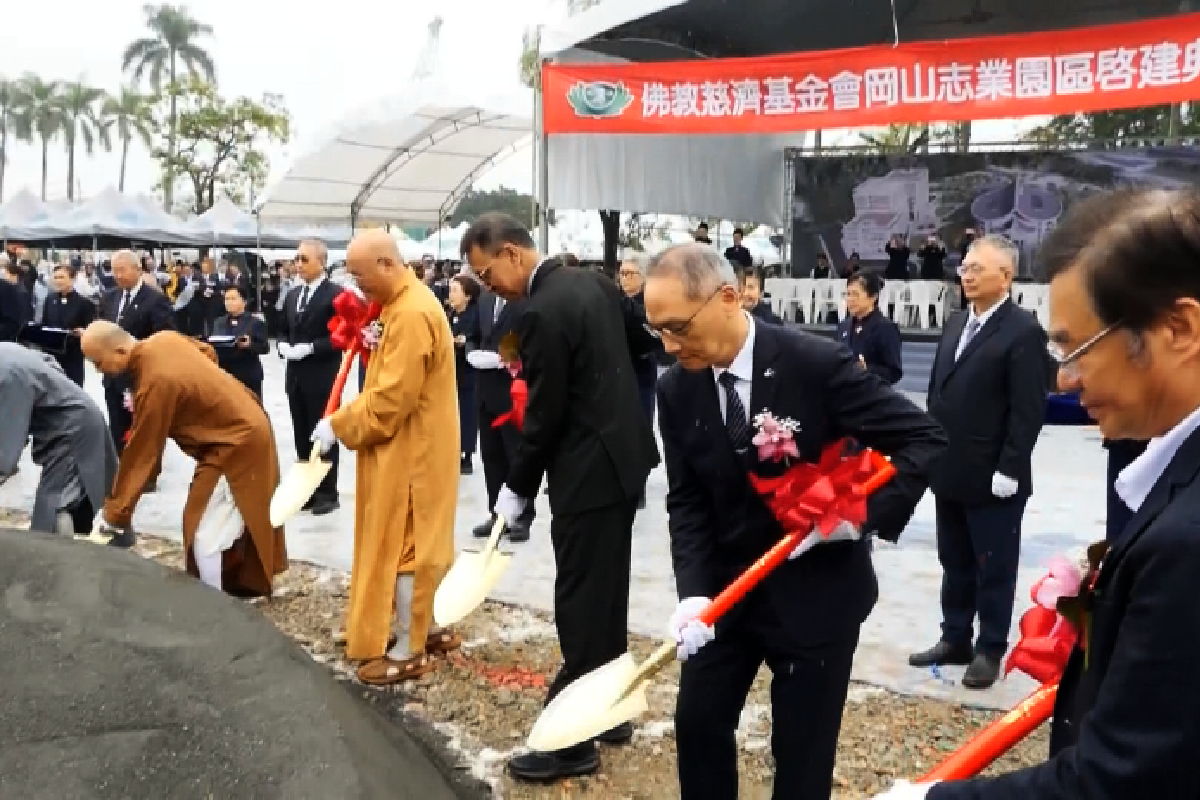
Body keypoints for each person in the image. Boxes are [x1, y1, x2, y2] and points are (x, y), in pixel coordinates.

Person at [875, 188, 1200, 800]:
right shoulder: (1169, 487)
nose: (1066, 379)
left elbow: (1122, 780)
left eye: (1077, 349)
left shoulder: (1187, 543)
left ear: (1179, 328)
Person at [644, 243, 946, 800]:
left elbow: (923, 438)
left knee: (802, 753)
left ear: (728, 298)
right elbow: (686, 500)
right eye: (655, 330)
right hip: (728, 594)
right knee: (698, 724)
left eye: (677, 327)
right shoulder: (676, 387)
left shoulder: (814, 364)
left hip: (816, 594)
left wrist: (855, 521)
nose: (668, 344)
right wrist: (692, 595)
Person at [461, 212, 661, 781]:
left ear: (511, 253)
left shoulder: (541, 311)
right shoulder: (594, 283)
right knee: (605, 590)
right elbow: (637, 349)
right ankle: (610, 705)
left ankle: (572, 736)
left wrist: (514, 489)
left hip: (586, 470)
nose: (486, 286)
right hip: (621, 462)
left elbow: (544, 417)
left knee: (580, 600)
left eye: (485, 273)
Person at [309, 230, 460, 684]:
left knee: (407, 542)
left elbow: (392, 399)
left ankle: (410, 649)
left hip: (412, 449)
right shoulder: (401, 303)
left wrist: (338, 424)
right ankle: (428, 626)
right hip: (410, 444)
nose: (357, 287)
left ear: (388, 265)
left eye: (361, 275)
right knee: (415, 536)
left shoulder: (412, 313)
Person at [908, 234, 1050, 689]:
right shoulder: (955, 323)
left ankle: (990, 647)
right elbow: (937, 393)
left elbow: (1027, 409)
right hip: (950, 468)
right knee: (955, 559)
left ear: (1005, 276)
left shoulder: (1023, 330)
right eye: (964, 267)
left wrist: (1010, 467)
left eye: (976, 269)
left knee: (994, 564)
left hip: (994, 477)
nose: (966, 275)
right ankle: (955, 636)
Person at [81, 321, 288, 592]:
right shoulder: (163, 339)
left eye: (98, 362)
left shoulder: (155, 382)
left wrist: (115, 515)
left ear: (120, 350)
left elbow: (143, 452)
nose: (98, 371)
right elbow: (207, 353)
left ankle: (214, 604)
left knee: (203, 531)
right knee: (225, 518)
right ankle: (235, 586)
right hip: (243, 423)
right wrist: (201, 393)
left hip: (235, 443)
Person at [0, 343, 116, 536]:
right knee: (59, 503)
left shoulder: (9, 375)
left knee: (56, 506)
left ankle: (59, 562)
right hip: (75, 421)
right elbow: (50, 363)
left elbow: (7, 439)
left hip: (72, 431)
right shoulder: (6, 351)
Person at [97, 250, 174, 491]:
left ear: (137, 270)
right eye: (114, 270)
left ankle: (147, 474)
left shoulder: (154, 299)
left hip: (140, 374)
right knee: (117, 423)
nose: (117, 275)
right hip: (112, 375)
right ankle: (123, 468)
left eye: (122, 270)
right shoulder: (109, 297)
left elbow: (166, 336)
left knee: (143, 427)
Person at [277, 240, 343, 516]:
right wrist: (282, 346)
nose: (299, 265)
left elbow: (340, 336)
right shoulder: (293, 295)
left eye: (305, 259)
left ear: (322, 262)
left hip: (322, 374)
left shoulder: (336, 295)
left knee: (324, 434)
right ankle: (308, 489)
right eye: (297, 259)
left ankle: (328, 491)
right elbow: (281, 328)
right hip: (296, 375)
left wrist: (312, 347)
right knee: (301, 433)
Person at [467, 285, 535, 543]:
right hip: (485, 389)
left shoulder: (524, 301)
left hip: (512, 391)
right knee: (492, 456)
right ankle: (497, 512)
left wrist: (512, 359)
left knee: (516, 454)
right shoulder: (485, 299)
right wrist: (474, 351)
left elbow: (532, 342)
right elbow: (474, 332)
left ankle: (522, 515)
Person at [619, 253, 664, 507]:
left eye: (629, 273)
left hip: (642, 371)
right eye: (621, 273)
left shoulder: (649, 302)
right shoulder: (618, 301)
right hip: (620, 371)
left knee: (641, 427)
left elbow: (656, 336)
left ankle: (639, 485)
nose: (624, 279)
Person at [837, 272, 903, 385]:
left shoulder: (885, 327)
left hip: (872, 394)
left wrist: (867, 368)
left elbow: (894, 372)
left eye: (855, 295)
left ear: (873, 297)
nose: (850, 299)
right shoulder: (844, 325)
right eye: (848, 294)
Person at [38, 264, 97, 387]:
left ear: (72, 278)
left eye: (61, 277)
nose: (58, 281)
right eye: (56, 277)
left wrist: (83, 332)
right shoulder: (49, 300)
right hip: (51, 356)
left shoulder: (84, 303)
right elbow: (44, 324)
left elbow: (92, 331)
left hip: (72, 357)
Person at [447, 274, 482, 475]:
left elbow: (477, 338)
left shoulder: (475, 314)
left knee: (468, 412)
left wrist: (465, 341)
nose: (451, 295)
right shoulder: (452, 313)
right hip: (453, 370)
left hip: (469, 371)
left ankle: (466, 454)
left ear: (467, 296)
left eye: (455, 290)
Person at [210, 284, 269, 399]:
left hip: (247, 375)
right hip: (224, 374)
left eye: (233, 299)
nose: (229, 302)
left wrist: (249, 345)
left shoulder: (255, 322)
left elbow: (264, 347)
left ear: (244, 301)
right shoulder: (219, 322)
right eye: (226, 299)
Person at [1, 254, 31, 341]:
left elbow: (22, 315)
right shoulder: (14, 288)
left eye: (6, 273)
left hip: (16, 335)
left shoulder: (20, 291)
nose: (4, 276)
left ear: (14, 275)